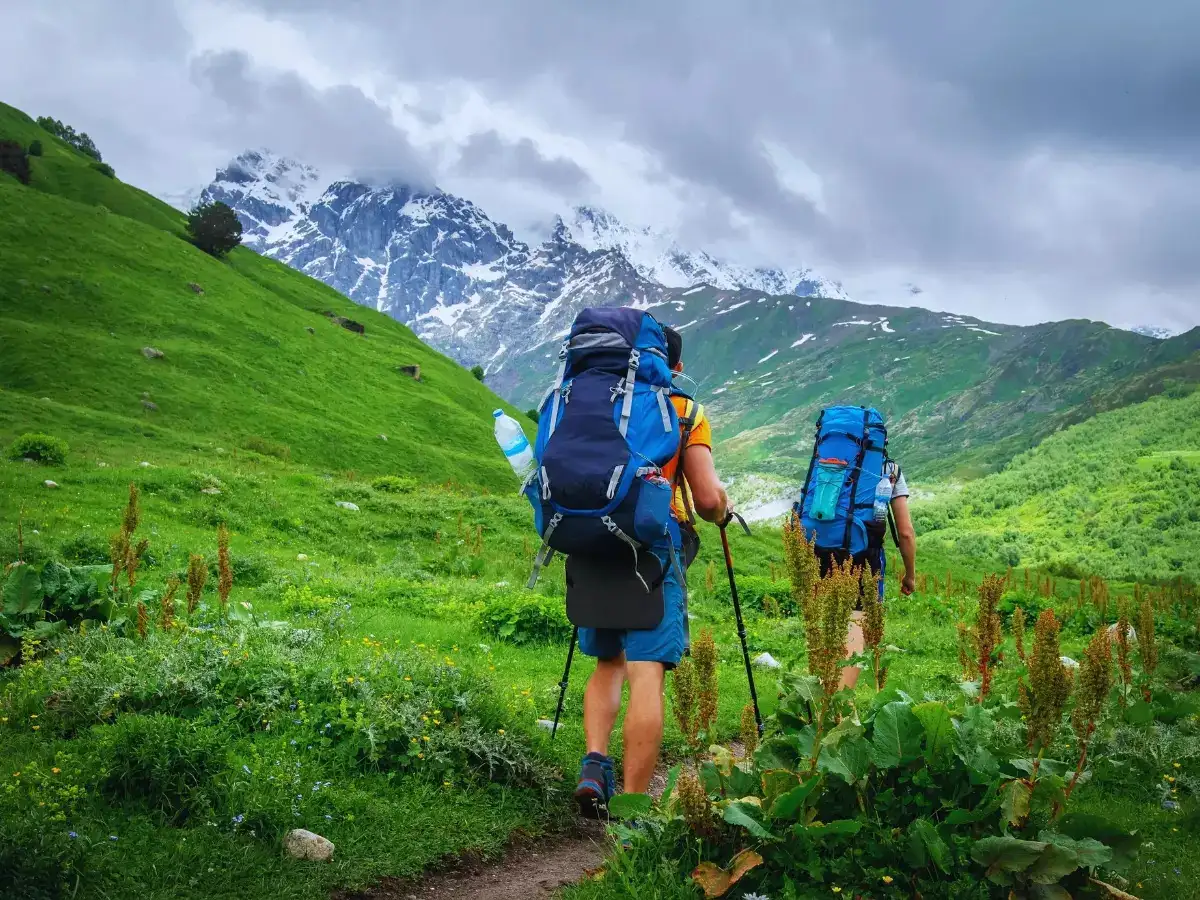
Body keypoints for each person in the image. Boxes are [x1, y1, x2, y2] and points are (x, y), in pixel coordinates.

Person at [574, 324, 730, 815]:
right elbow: (706, 500)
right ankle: (633, 810)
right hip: (654, 546)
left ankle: (595, 766)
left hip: (591, 539)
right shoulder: (684, 411)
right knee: (646, 673)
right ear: (672, 366)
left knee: (608, 662)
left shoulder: (589, 399)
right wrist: (723, 509)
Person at [825, 459, 917, 690]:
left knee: (830, 628)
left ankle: (823, 695)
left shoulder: (827, 456)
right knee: (855, 630)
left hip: (821, 550)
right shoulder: (889, 469)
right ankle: (837, 703)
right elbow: (905, 533)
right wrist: (910, 575)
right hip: (863, 557)